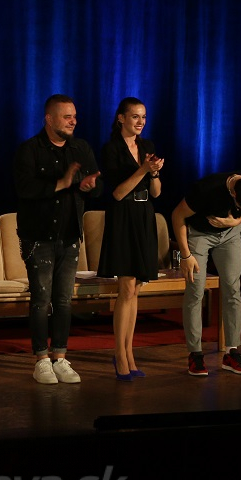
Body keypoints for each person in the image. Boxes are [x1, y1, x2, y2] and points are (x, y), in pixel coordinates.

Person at [13, 94, 102, 384]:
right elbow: (24, 188)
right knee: (41, 300)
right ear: (49, 119)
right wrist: (60, 183)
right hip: (38, 237)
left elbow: (97, 187)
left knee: (64, 300)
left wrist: (89, 187)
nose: (73, 121)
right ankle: (41, 359)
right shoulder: (30, 149)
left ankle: (60, 357)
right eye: (67, 117)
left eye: (74, 116)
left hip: (69, 236)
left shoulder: (80, 148)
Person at [171, 170, 241, 376]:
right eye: (240, 208)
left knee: (233, 289)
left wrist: (236, 221)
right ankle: (195, 354)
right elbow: (177, 215)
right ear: (233, 194)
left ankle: (232, 352)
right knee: (196, 291)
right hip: (200, 235)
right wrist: (186, 256)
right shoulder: (206, 189)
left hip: (230, 233)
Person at [96, 98, 164, 382]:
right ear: (121, 118)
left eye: (144, 117)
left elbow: (157, 192)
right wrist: (143, 170)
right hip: (123, 217)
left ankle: (130, 353)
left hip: (144, 215)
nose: (140, 122)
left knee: (136, 290)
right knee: (125, 289)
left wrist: (155, 173)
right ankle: (119, 354)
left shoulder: (147, 147)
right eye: (135, 116)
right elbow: (117, 193)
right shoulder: (111, 149)